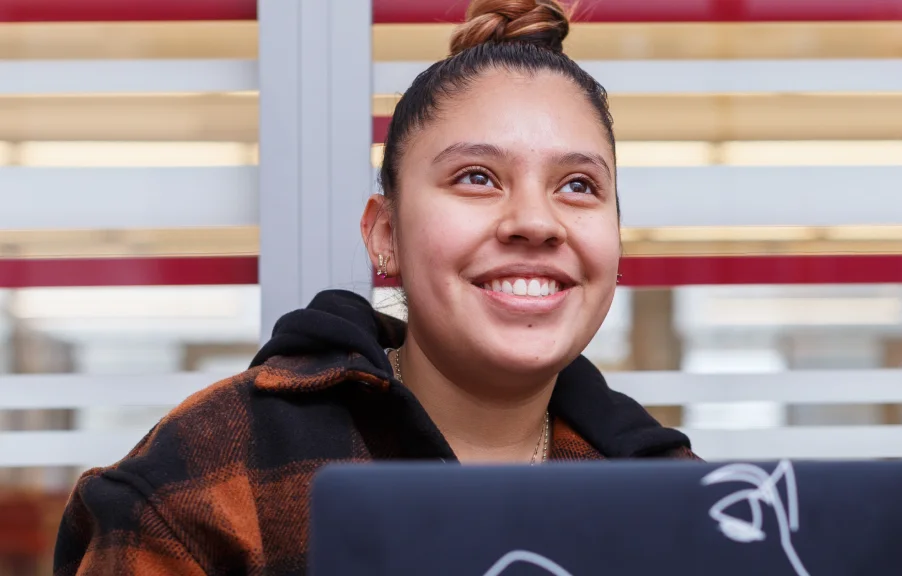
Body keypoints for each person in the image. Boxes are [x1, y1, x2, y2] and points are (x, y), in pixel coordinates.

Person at [53, 0, 699, 574]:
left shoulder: (681, 505)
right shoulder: (207, 481)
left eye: (578, 186)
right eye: (477, 177)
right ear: (384, 233)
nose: (535, 221)